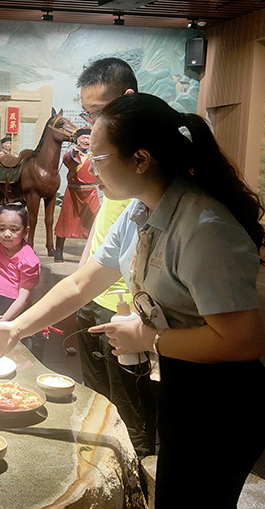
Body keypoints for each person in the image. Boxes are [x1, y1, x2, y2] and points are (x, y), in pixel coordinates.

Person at [0, 93, 265, 508]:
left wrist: (148, 338)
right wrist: (15, 328)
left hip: (226, 403)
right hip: (184, 386)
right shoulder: (137, 212)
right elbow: (82, 284)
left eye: (98, 158)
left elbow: (243, 340)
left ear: (140, 160)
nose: (89, 167)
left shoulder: (204, 228)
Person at [71, 57, 156, 458]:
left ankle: (135, 475)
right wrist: (80, 278)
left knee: (130, 411)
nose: (92, 126)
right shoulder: (115, 168)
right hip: (97, 297)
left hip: (126, 307)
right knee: (96, 402)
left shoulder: (142, 168)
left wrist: (147, 327)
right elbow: (106, 224)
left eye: (99, 113)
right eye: (87, 115)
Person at [0, 202, 40, 322]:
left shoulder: (29, 261)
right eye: (1, 229)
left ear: (25, 231)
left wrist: (4, 320)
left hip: (15, 307)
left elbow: (24, 297)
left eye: (14, 229)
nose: (7, 234)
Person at [54, 127, 98, 262]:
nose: (86, 141)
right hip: (73, 193)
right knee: (65, 221)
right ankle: (58, 250)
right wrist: (73, 154)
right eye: (83, 138)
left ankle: (94, 253)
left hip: (91, 193)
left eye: (89, 138)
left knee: (95, 221)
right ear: (77, 140)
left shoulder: (95, 154)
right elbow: (69, 161)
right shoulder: (72, 154)